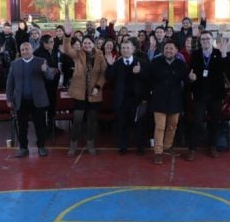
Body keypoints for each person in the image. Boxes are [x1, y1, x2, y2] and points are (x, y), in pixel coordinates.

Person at [63, 21, 107, 156]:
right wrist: (67, 35)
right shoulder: (78, 53)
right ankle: (73, 145)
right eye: (85, 43)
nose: (87, 45)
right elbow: (66, 49)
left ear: (93, 44)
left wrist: (98, 87)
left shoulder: (100, 55)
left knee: (92, 122)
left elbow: (103, 73)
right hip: (79, 93)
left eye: (89, 43)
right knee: (77, 120)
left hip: (94, 93)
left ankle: (90, 144)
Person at [185, 31, 230, 161]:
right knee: (197, 121)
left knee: (214, 122)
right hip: (200, 94)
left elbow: (225, 70)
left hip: (215, 94)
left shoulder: (218, 53)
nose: (205, 41)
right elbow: (190, 71)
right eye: (203, 39)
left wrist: (224, 54)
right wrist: (191, 78)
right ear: (200, 41)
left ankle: (213, 146)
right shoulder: (196, 54)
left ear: (212, 40)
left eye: (208, 39)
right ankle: (192, 149)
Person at [6, 42, 54, 158]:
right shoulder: (15, 64)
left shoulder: (41, 61)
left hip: (38, 100)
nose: (24, 51)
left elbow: (50, 77)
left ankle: (41, 147)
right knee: (22, 126)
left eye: (27, 49)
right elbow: (10, 83)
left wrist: (45, 70)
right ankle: (23, 148)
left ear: (32, 50)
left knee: (40, 125)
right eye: (22, 50)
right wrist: (9, 98)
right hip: (21, 101)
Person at [146, 39, 188, 164]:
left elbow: (185, 79)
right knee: (159, 126)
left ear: (176, 50)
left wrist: (190, 79)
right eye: (166, 48)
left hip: (175, 99)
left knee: (172, 125)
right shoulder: (155, 62)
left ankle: (167, 147)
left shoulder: (181, 64)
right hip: (159, 99)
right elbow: (149, 79)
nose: (168, 50)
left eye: (171, 48)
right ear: (163, 50)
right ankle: (158, 152)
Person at [105, 39, 147, 155]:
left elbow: (147, 79)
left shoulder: (141, 62)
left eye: (127, 48)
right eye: (123, 48)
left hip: (137, 99)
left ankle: (140, 147)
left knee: (139, 124)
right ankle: (123, 147)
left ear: (133, 49)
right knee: (122, 124)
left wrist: (139, 72)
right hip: (122, 99)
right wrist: (109, 65)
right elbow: (108, 77)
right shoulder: (117, 63)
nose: (125, 50)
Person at [33, 35, 61, 132]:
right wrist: (49, 70)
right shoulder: (37, 53)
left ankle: (52, 127)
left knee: (52, 107)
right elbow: (36, 70)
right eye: (51, 42)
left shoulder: (54, 52)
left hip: (53, 84)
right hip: (43, 86)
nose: (53, 44)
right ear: (44, 43)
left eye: (53, 41)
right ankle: (43, 129)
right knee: (43, 108)